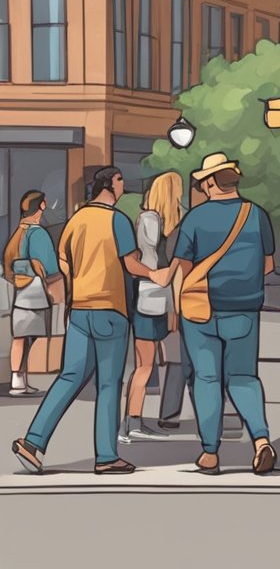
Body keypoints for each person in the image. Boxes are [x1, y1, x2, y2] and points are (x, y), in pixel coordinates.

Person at [11, 167, 166, 475]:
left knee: (69, 377)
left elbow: (64, 265)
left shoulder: (76, 220)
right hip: (110, 308)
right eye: (120, 181)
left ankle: (33, 441)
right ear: (108, 186)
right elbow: (131, 264)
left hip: (80, 309)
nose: (123, 186)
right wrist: (154, 274)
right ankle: (107, 456)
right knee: (109, 384)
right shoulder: (116, 219)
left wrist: (68, 300)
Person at [163, 153, 277, 475]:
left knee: (207, 379)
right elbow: (268, 264)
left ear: (213, 182)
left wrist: (176, 309)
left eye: (203, 182)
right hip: (243, 309)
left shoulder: (195, 219)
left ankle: (211, 454)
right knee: (243, 377)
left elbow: (182, 270)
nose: (201, 187)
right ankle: (261, 440)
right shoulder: (256, 214)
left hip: (200, 309)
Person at [120, 172, 182, 441]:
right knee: (145, 365)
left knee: (151, 364)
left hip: (157, 299)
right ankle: (131, 422)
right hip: (150, 298)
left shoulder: (157, 221)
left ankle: (135, 420)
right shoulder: (150, 220)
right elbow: (153, 261)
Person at [4, 191, 66, 396]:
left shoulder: (18, 233)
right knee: (31, 337)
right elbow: (50, 267)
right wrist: (58, 292)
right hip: (37, 292)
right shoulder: (38, 233)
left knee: (20, 336)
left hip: (20, 292)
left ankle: (17, 380)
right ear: (41, 206)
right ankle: (21, 380)